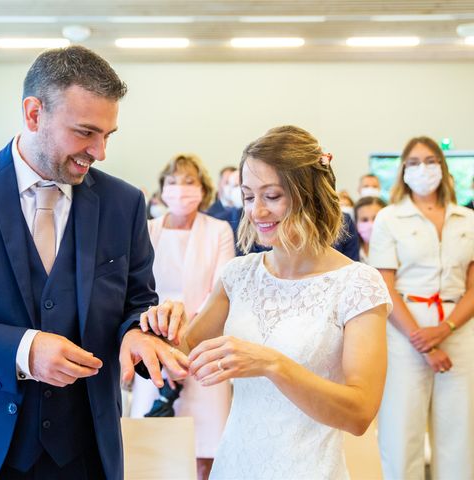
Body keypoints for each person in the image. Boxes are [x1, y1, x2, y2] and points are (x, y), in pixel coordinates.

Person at [0, 46, 187, 480]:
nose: (99, 152)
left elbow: (137, 305)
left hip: (85, 455)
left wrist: (140, 333)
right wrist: (22, 350)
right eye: (85, 132)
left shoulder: (124, 203)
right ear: (33, 114)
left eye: (108, 135)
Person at [141, 125, 392, 479]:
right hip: (236, 465)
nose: (256, 211)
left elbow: (359, 413)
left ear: (310, 195)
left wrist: (272, 364)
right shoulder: (238, 276)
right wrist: (163, 324)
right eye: (247, 196)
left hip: (310, 469)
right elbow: (180, 354)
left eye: (272, 196)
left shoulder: (357, 284)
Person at [369, 136, 474, 480]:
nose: (422, 169)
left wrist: (445, 330)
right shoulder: (389, 218)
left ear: (443, 168)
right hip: (404, 333)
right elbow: (385, 285)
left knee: (459, 437)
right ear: (402, 170)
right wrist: (423, 342)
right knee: (402, 435)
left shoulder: (467, 219)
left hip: (458, 329)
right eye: (413, 162)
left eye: (430, 161)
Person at [129, 153, 234, 480]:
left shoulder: (219, 230)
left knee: (206, 444)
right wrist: (162, 340)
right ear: (161, 190)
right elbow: (136, 288)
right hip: (153, 342)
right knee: (152, 441)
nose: (180, 189)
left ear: (203, 189)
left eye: (189, 182)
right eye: (172, 182)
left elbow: (221, 289)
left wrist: (186, 339)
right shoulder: (147, 230)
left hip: (204, 344)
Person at [354, 196, 387, 263]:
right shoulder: (349, 252)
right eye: (364, 220)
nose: (371, 225)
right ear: (356, 224)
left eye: (376, 218)